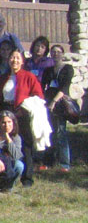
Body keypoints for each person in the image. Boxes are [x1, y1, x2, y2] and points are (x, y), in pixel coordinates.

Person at [0, 48, 43, 186]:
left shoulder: (29, 76)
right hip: (6, 111)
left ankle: (27, 178)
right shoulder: (3, 78)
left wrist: (23, 109)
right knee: (4, 143)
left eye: (18, 58)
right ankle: (5, 175)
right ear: (8, 60)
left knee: (26, 145)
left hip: (22, 114)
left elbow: (38, 96)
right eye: (12, 57)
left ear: (22, 61)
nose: (15, 60)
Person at [42, 44, 72, 172]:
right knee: (49, 132)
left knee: (61, 133)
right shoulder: (48, 70)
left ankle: (65, 164)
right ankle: (48, 161)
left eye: (58, 52)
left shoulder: (68, 68)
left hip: (60, 103)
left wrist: (54, 101)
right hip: (48, 102)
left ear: (63, 54)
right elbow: (43, 86)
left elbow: (65, 87)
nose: (55, 54)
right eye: (53, 52)